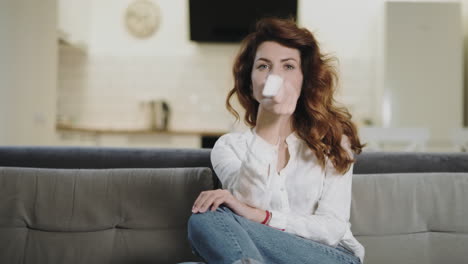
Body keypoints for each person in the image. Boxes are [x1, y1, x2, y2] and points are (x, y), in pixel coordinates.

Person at [187, 17, 365, 264]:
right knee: (206, 216)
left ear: (305, 80)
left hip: (329, 257)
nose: (275, 77)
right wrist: (268, 126)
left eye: (288, 67)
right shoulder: (229, 147)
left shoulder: (333, 141)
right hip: (260, 254)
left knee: (210, 219)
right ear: (251, 82)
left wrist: (265, 217)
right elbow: (249, 205)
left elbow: (332, 228)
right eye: (263, 66)